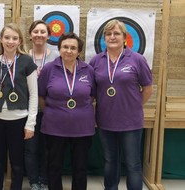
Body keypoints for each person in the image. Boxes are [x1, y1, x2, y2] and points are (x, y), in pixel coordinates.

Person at [88, 19, 153, 190]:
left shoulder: (137, 59)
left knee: (133, 163)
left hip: (130, 122)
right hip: (105, 121)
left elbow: (147, 88)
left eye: (116, 33)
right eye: (108, 34)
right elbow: (92, 92)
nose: (112, 37)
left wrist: (134, 106)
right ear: (104, 38)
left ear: (125, 37)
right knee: (110, 160)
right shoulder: (96, 61)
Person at [0, 23, 38, 190]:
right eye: (7, 37)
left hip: (19, 120)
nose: (10, 41)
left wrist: (30, 124)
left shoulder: (27, 62)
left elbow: (33, 94)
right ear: (1, 40)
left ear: (20, 41)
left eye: (14, 38)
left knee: (17, 164)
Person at [38, 32, 96, 190]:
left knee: (80, 167)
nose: (68, 51)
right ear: (59, 48)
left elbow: (91, 96)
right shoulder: (49, 69)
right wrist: (54, 111)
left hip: (82, 128)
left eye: (73, 48)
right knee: (54, 166)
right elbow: (41, 96)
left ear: (79, 52)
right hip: (54, 127)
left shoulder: (88, 70)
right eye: (65, 47)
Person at [25, 20, 59, 190]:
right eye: (35, 31)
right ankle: (33, 181)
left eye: (42, 32)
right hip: (28, 110)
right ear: (30, 35)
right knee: (30, 148)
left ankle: (45, 180)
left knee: (47, 148)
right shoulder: (23, 55)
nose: (39, 35)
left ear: (48, 35)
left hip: (49, 110)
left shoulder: (56, 57)